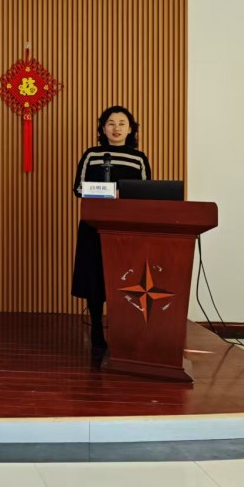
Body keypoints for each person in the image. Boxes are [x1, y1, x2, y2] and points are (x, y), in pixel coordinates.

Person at [71, 105, 151, 352]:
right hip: (94, 226)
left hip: (127, 228)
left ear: (131, 129)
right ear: (103, 128)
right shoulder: (92, 155)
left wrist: (122, 193)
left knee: (126, 278)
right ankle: (96, 328)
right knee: (94, 276)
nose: (116, 128)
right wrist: (106, 192)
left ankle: (122, 329)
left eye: (122, 123)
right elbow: (78, 188)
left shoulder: (139, 158)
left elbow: (147, 193)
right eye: (111, 123)